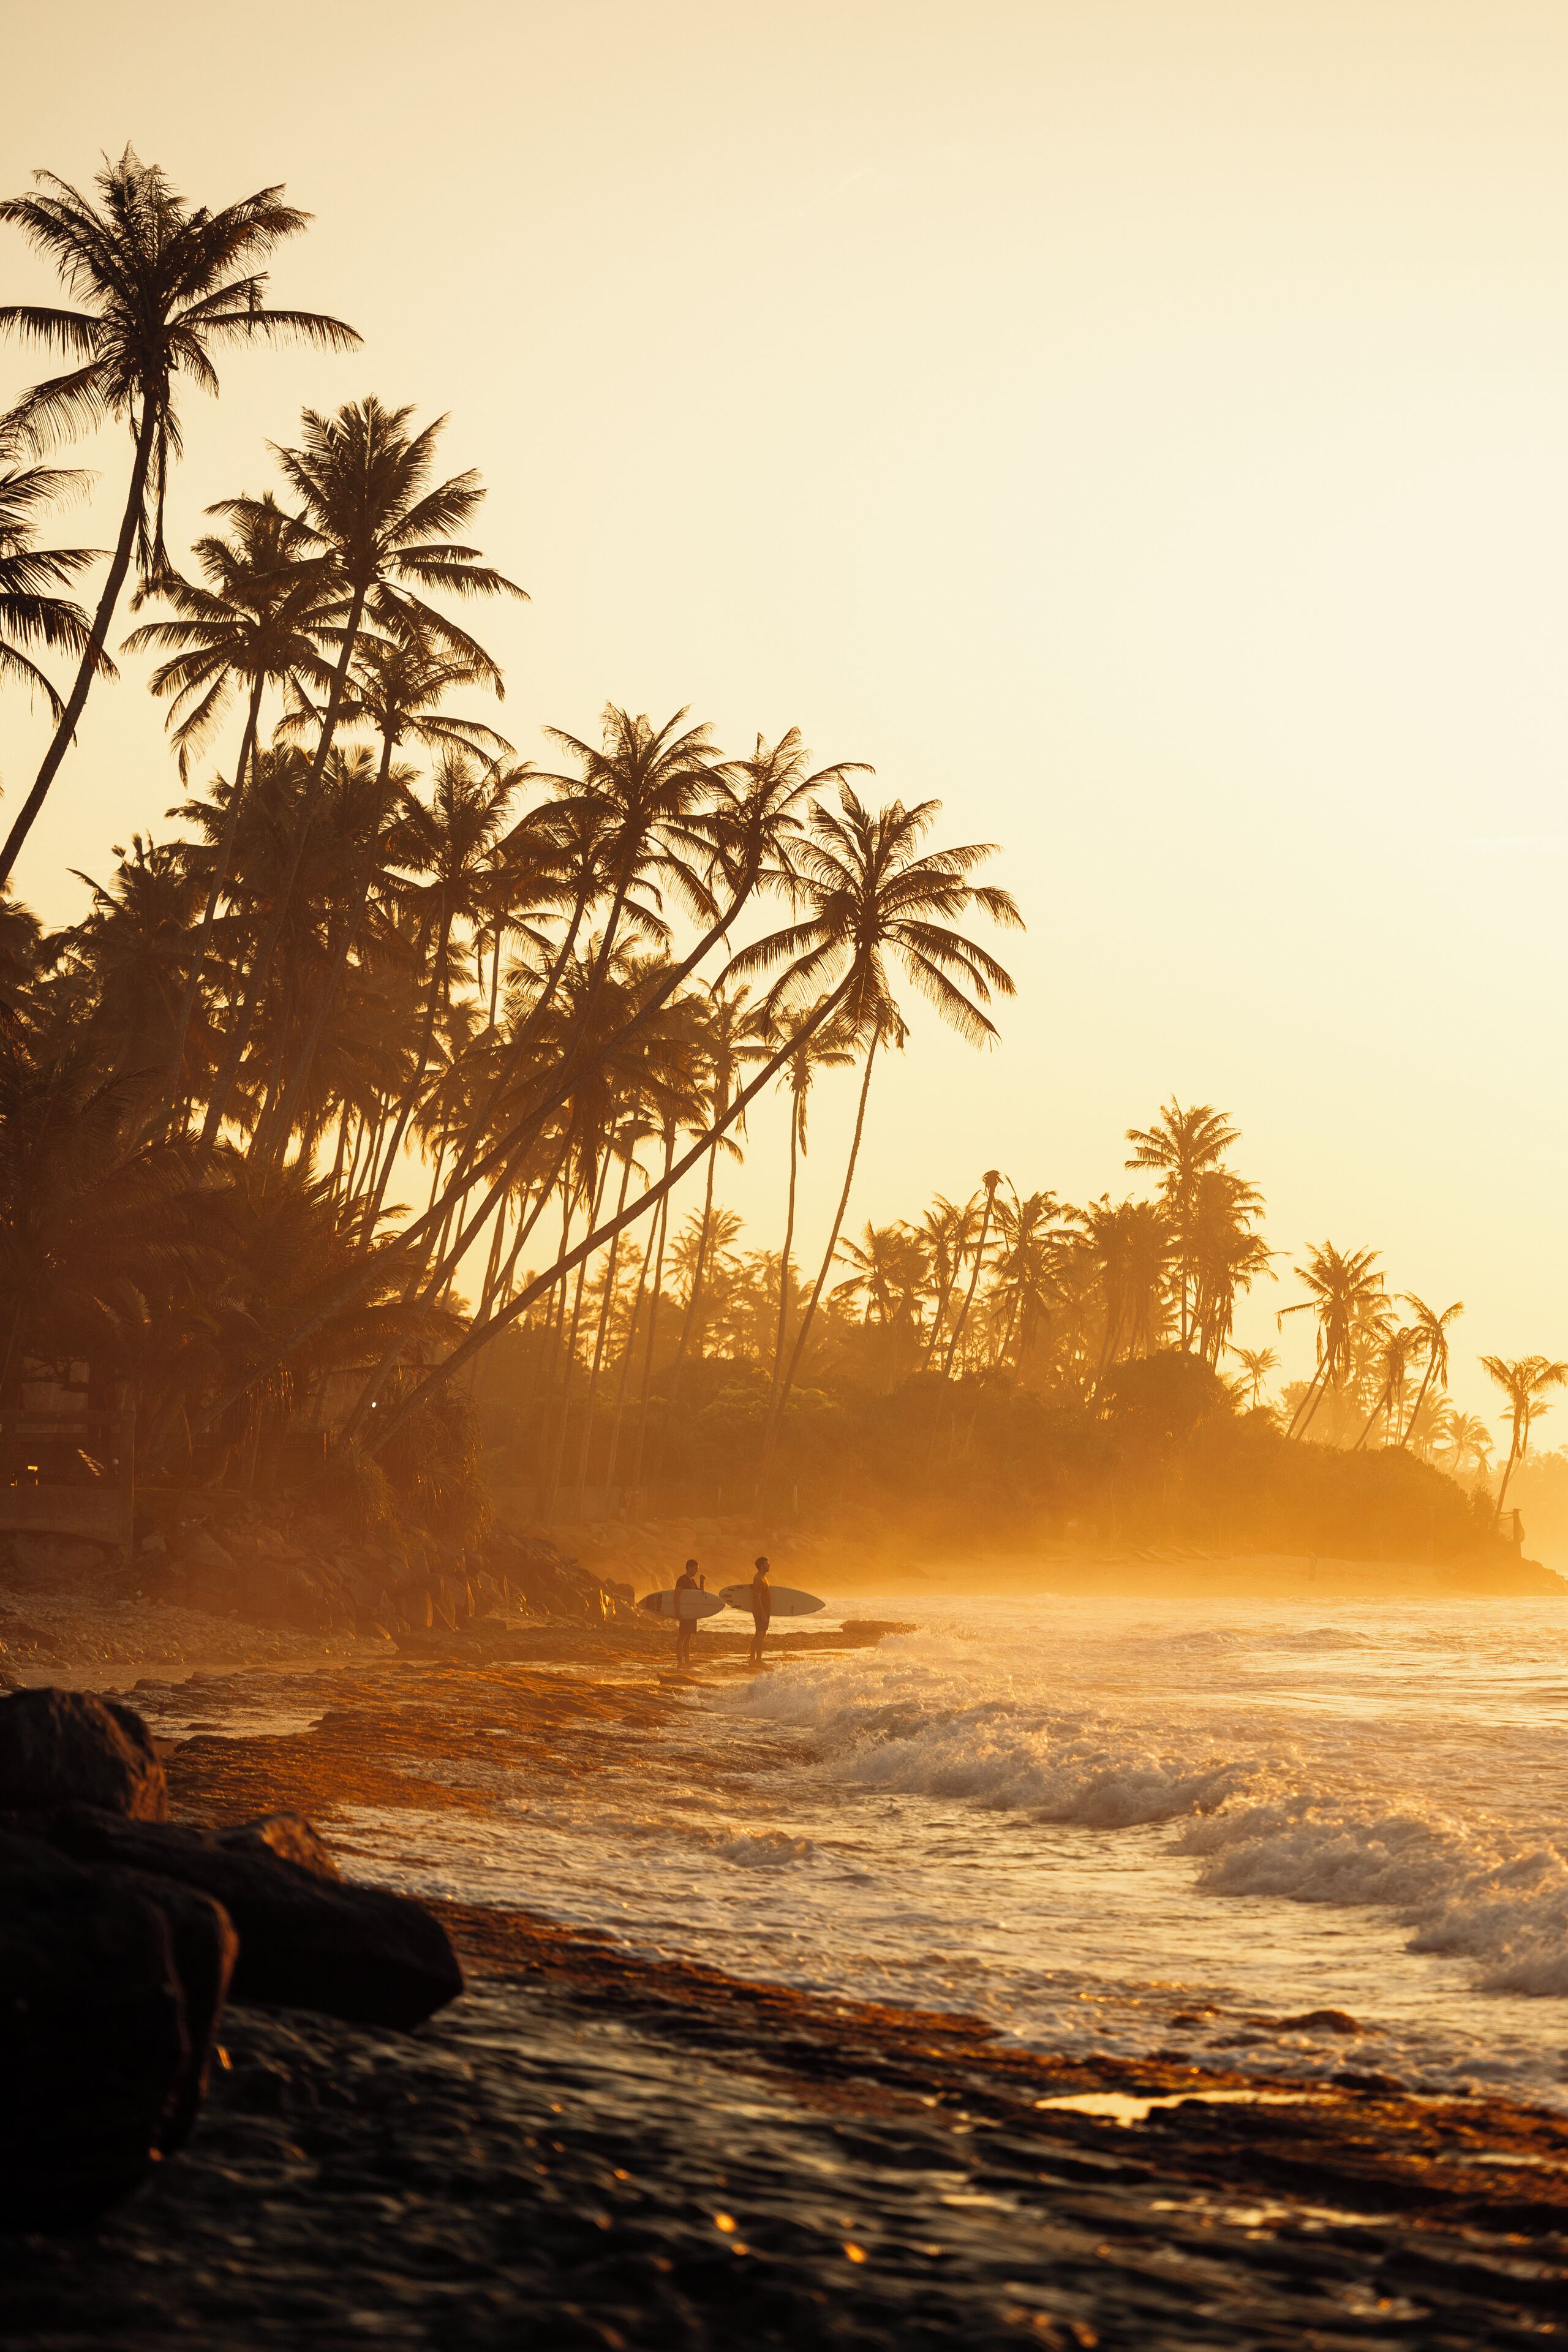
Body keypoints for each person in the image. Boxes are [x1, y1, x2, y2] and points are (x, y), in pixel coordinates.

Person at [674, 1557, 703, 1668]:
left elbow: (700, 1595)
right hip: (685, 1613)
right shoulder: (682, 1580)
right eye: (695, 1569)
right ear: (689, 1568)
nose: (697, 1571)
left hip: (692, 1613)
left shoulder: (692, 1581)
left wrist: (702, 1582)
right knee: (682, 1637)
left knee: (689, 1637)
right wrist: (678, 1612)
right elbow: (676, 1596)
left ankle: (687, 1660)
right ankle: (680, 1661)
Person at [747, 1554, 772, 1665]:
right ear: (762, 1566)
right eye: (767, 1564)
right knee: (760, 1634)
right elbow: (757, 1597)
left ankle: (755, 1659)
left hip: (764, 1610)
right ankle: (756, 1659)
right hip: (760, 1611)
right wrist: (762, 1613)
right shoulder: (758, 1579)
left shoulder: (763, 1579)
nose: (769, 1566)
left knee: (761, 1634)